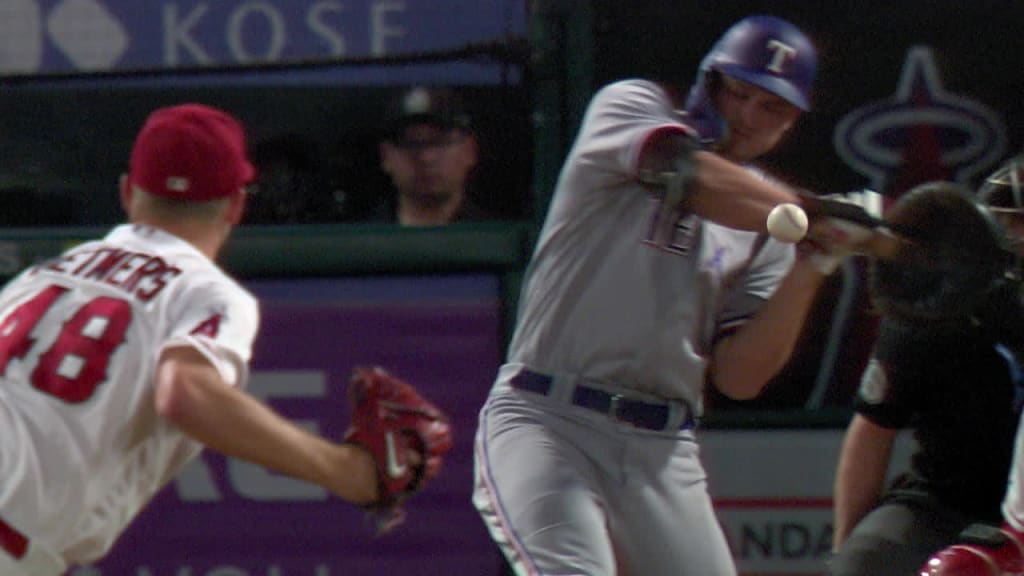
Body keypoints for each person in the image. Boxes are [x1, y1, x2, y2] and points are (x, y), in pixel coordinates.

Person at [472, 15, 859, 575]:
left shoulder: (776, 229)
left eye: (771, 107)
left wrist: (815, 261)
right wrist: (814, 216)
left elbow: (740, 378)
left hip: (662, 446)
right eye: (740, 92)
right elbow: (686, 174)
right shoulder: (629, 106)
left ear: (791, 122)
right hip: (548, 418)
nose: (748, 116)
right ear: (710, 82)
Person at [0, 103, 449, 575]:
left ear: (128, 192)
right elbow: (187, 392)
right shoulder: (204, 291)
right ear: (237, 205)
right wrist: (348, 472)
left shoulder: (41, 276)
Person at [830, 178, 1024, 576]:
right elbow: (873, 430)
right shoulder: (935, 306)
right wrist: (844, 547)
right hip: (945, 504)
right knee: (865, 561)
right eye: (1010, 224)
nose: (1016, 237)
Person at [373, 85, 494, 225]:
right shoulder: (357, 241)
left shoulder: (500, 240)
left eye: (442, 142)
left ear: (470, 151)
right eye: (412, 143)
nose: (427, 157)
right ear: (385, 156)